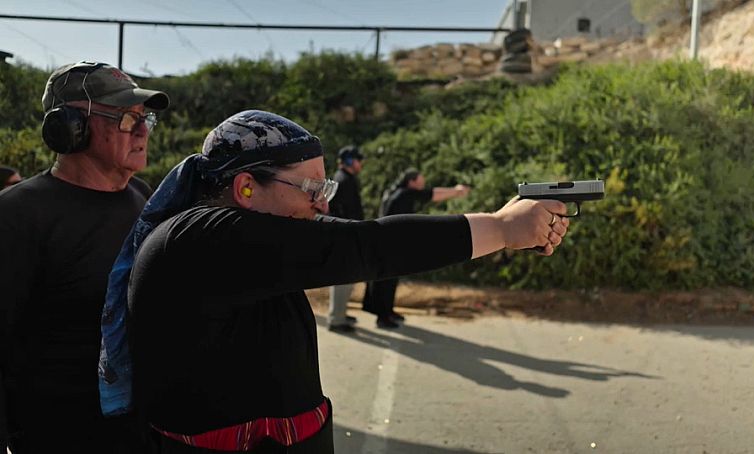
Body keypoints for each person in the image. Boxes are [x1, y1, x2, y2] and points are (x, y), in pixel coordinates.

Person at [102, 109, 568, 453]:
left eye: (325, 190)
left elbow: (354, 242)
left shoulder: (235, 240)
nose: (322, 205)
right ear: (245, 188)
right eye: (310, 190)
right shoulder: (198, 238)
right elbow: (366, 247)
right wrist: (504, 228)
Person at [0, 61, 169, 453]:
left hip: (138, 428)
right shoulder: (17, 215)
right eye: (127, 119)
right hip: (58, 431)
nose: (143, 130)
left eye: (145, 119)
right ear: (69, 128)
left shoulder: (141, 194)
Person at [363, 168, 471, 328]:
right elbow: (433, 194)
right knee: (385, 281)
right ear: (411, 181)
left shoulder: (396, 192)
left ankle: (388, 311)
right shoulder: (405, 193)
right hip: (388, 244)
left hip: (387, 242)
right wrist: (456, 191)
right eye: (420, 180)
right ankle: (382, 317)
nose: (423, 183)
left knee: (390, 279)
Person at [326, 145, 365, 333]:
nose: (360, 164)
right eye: (358, 160)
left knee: (347, 279)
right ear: (349, 161)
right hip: (344, 236)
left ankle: (340, 314)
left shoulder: (346, 179)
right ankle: (336, 319)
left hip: (347, 234)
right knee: (342, 279)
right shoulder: (343, 180)